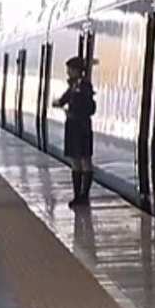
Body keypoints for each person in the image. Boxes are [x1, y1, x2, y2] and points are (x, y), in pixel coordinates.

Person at [53, 56, 95, 207]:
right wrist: (58, 103)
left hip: (81, 127)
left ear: (77, 70)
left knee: (84, 160)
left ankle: (83, 195)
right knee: (75, 161)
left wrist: (71, 108)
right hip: (73, 127)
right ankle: (78, 195)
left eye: (70, 69)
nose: (68, 72)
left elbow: (88, 107)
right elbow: (62, 100)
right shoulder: (73, 86)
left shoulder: (84, 86)